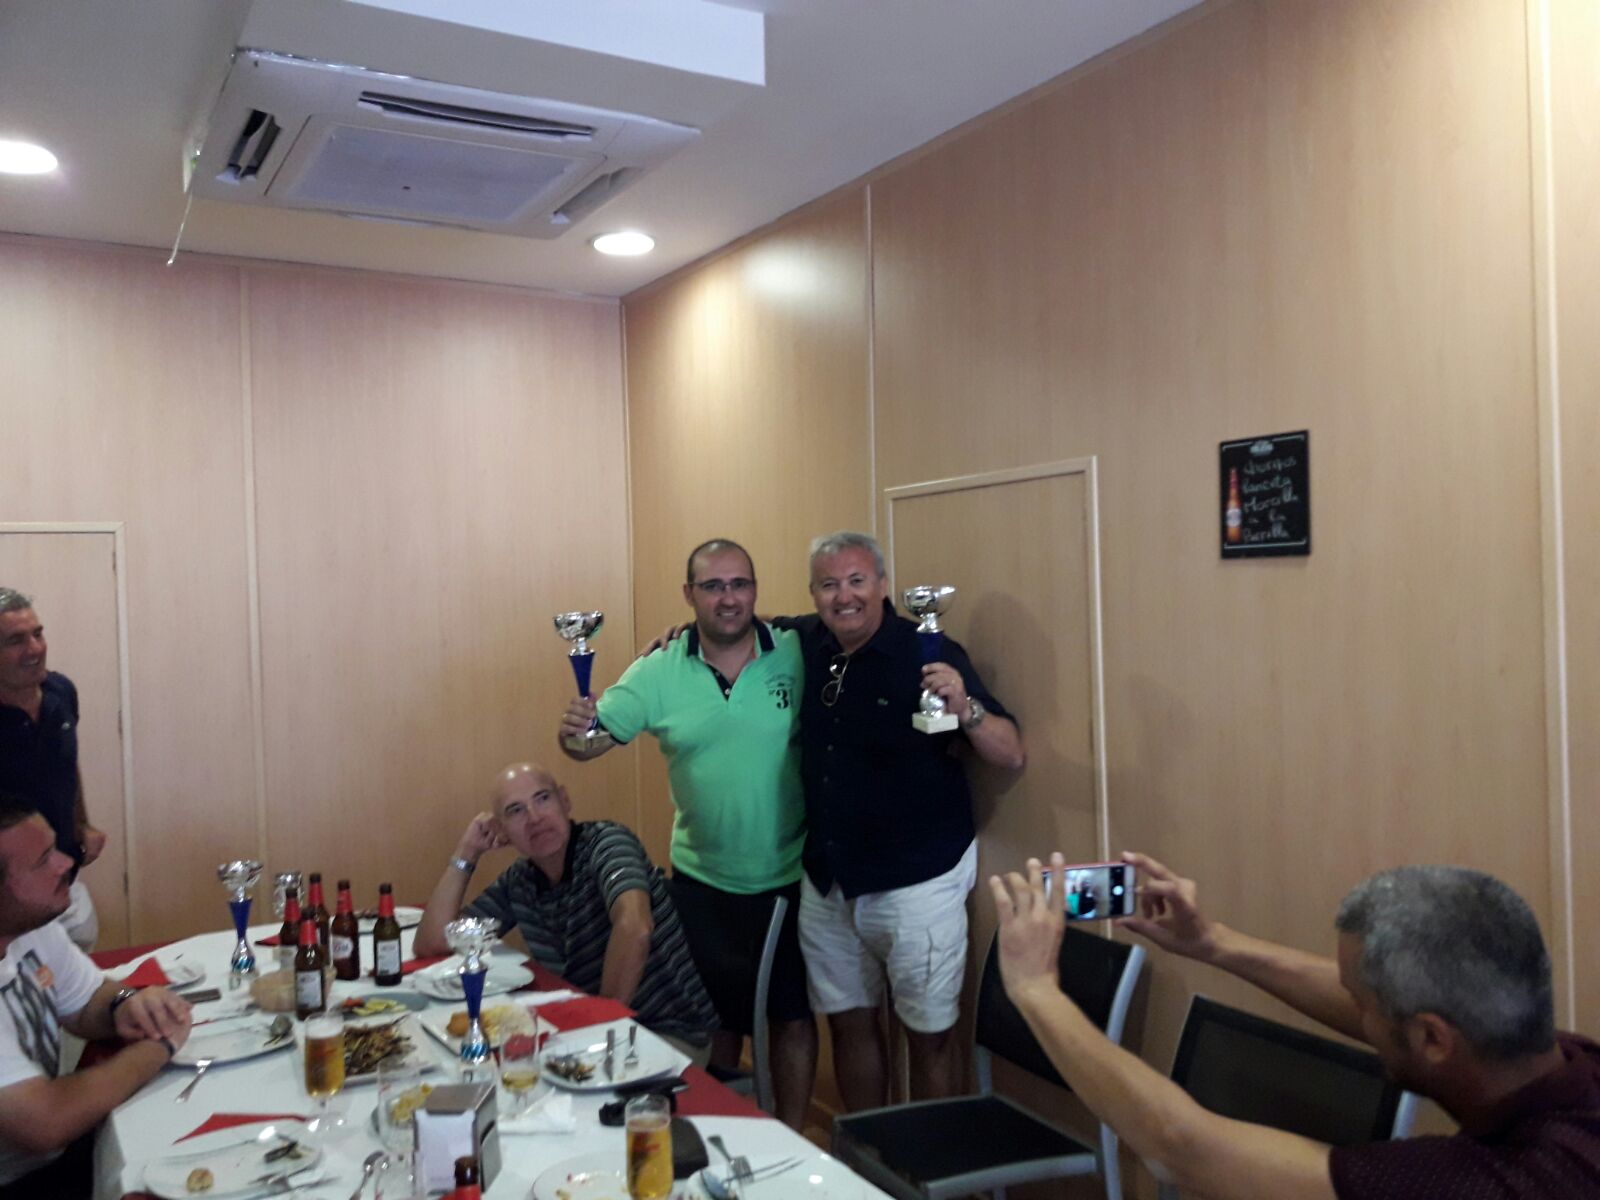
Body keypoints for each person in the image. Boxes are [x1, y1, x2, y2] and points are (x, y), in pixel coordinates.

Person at [989, 850, 1600, 1199]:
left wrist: (1035, 991)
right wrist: (1213, 943)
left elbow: (1182, 1148)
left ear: (1433, 1039)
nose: (1354, 1014)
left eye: (1362, 1004)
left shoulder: (1500, 1183)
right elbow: (1387, 1012)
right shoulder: (1561, 1063)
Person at [557, 539, 817, 1128]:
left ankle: (796, 1137)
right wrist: (573, 732)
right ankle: (723, 1128)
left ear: (755, 590)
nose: (729, 598)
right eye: (713, 586)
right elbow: (588, 745)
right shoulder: (658, 669)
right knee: (712, 1020)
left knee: (792, 1017)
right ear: (689, 595)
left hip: (790, 875)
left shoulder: (795, 652)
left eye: (740, 584)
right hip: (701, 882)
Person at [787, 531, 1025, 1107]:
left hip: (918, 881)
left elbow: (1010, 751)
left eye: (857, 581)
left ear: (883, 585)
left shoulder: (929, 650)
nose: (844, 596)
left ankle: (929, 1160)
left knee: (930, 1037)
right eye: (829, 584)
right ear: (814, 594)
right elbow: (743, 623)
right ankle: (868, 1154)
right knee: (849, 1024)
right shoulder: (807, 642)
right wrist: (682, 632)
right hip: (829, 878)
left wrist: (964, 708)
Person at [414, 762, 718, 1059]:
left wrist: (599, 1025)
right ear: (502, 829)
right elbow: (434, 942)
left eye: (543, 799)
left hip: (668, 1033)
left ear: (565, 800)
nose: (534, 818)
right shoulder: (520, 880)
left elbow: (635, 927)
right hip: (586, 1026)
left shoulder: (607, 844)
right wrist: (467, 851)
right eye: (516, 810)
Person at [0, 791, 191, 1198]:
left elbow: (87, 1000)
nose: (66, 864)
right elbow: (44, 1122)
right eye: (43, 861)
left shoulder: (31, 928)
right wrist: (158, 1047)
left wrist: (127, 1004)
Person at [0, 588, 104, 950]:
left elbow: (66, 763)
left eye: (37, 634)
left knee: (82, 981)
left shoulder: (61, 691)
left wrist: (82, 823)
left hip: (65, 881)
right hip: (10, 905)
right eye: (16, 641)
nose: (34, 649)